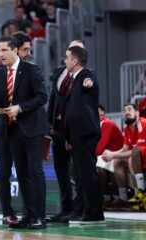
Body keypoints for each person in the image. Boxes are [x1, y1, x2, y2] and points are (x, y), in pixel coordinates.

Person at [0, 35, 48, 229]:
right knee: (21, 173)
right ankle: (28, 215)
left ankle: (39, 216)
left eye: (4, 50)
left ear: (15, 50)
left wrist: (20, 107)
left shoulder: (32, 70)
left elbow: (42, 97)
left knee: (35, 172)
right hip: (11, 129)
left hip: (32, 128)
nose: (0, 54)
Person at [63, 46, 105, 224]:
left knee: (87, 173)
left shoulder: (86, 75)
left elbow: (89, 82)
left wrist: (88, 83)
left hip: (85, 133)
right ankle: (85, 211)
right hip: (77, 134)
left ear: (75, 61)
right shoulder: (73, 79)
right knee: (81, 174)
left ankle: (94, 214)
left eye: (67, 58)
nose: (64, 61)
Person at [47, 40, 85, 222]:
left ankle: (80, 209)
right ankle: (66, 208)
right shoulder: (58, 72)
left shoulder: (86, 76)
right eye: (70, 48)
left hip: (76, 130)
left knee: (78, 171)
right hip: (58, 130)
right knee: (61, 170)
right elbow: (53, 99)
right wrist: (48, 124)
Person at [103, 103, 146, 211]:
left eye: (129, 110)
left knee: (132, 158)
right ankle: (123, 199)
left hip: (140, 157)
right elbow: (125, 149)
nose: (126, 112)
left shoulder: (143, 123)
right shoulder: (127, 128)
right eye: (125, 110)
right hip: (138, 157)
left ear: (137, 113)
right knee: (117, 162)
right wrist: (112, 154)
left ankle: (141, 193)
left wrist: (113, 155)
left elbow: (136, 151)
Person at [96, 104, 126, 210]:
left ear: (102, 113)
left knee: (99, 166)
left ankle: (115, 198)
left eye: (97, 110)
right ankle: (107, 197)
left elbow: (100, 147)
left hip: (119, 155)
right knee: (99, 165)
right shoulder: (96, 124)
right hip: (110, 155)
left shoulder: (106, 123)